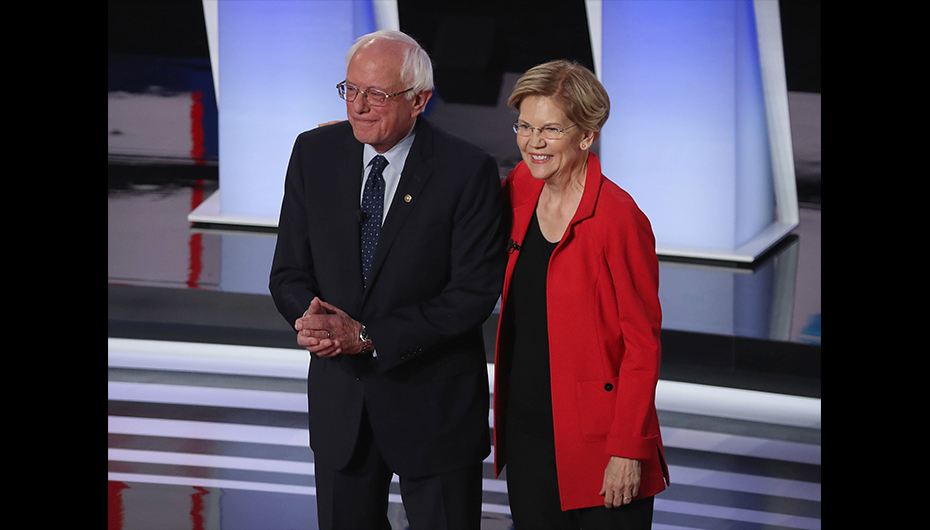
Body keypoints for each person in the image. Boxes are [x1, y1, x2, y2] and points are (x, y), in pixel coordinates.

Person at [269, 30, 506, 530]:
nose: (359, 106)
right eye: (351, 90)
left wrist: (368, 336)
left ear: (420, 100)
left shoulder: (467, 171)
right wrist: (309, 318)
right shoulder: (314, 153)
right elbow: (288, 271)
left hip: (433, 410)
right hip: (342, 412)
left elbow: (472, 295)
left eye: (377, 94)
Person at [492, 60, 670, 529]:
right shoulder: (520, 188)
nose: (534, 143)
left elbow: (642, 345)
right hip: (528, 434)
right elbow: (450, 200)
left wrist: (627, 450)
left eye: (550, 129)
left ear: (586, 136)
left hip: (599, 443)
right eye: (525, 127)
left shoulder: (618, 218)